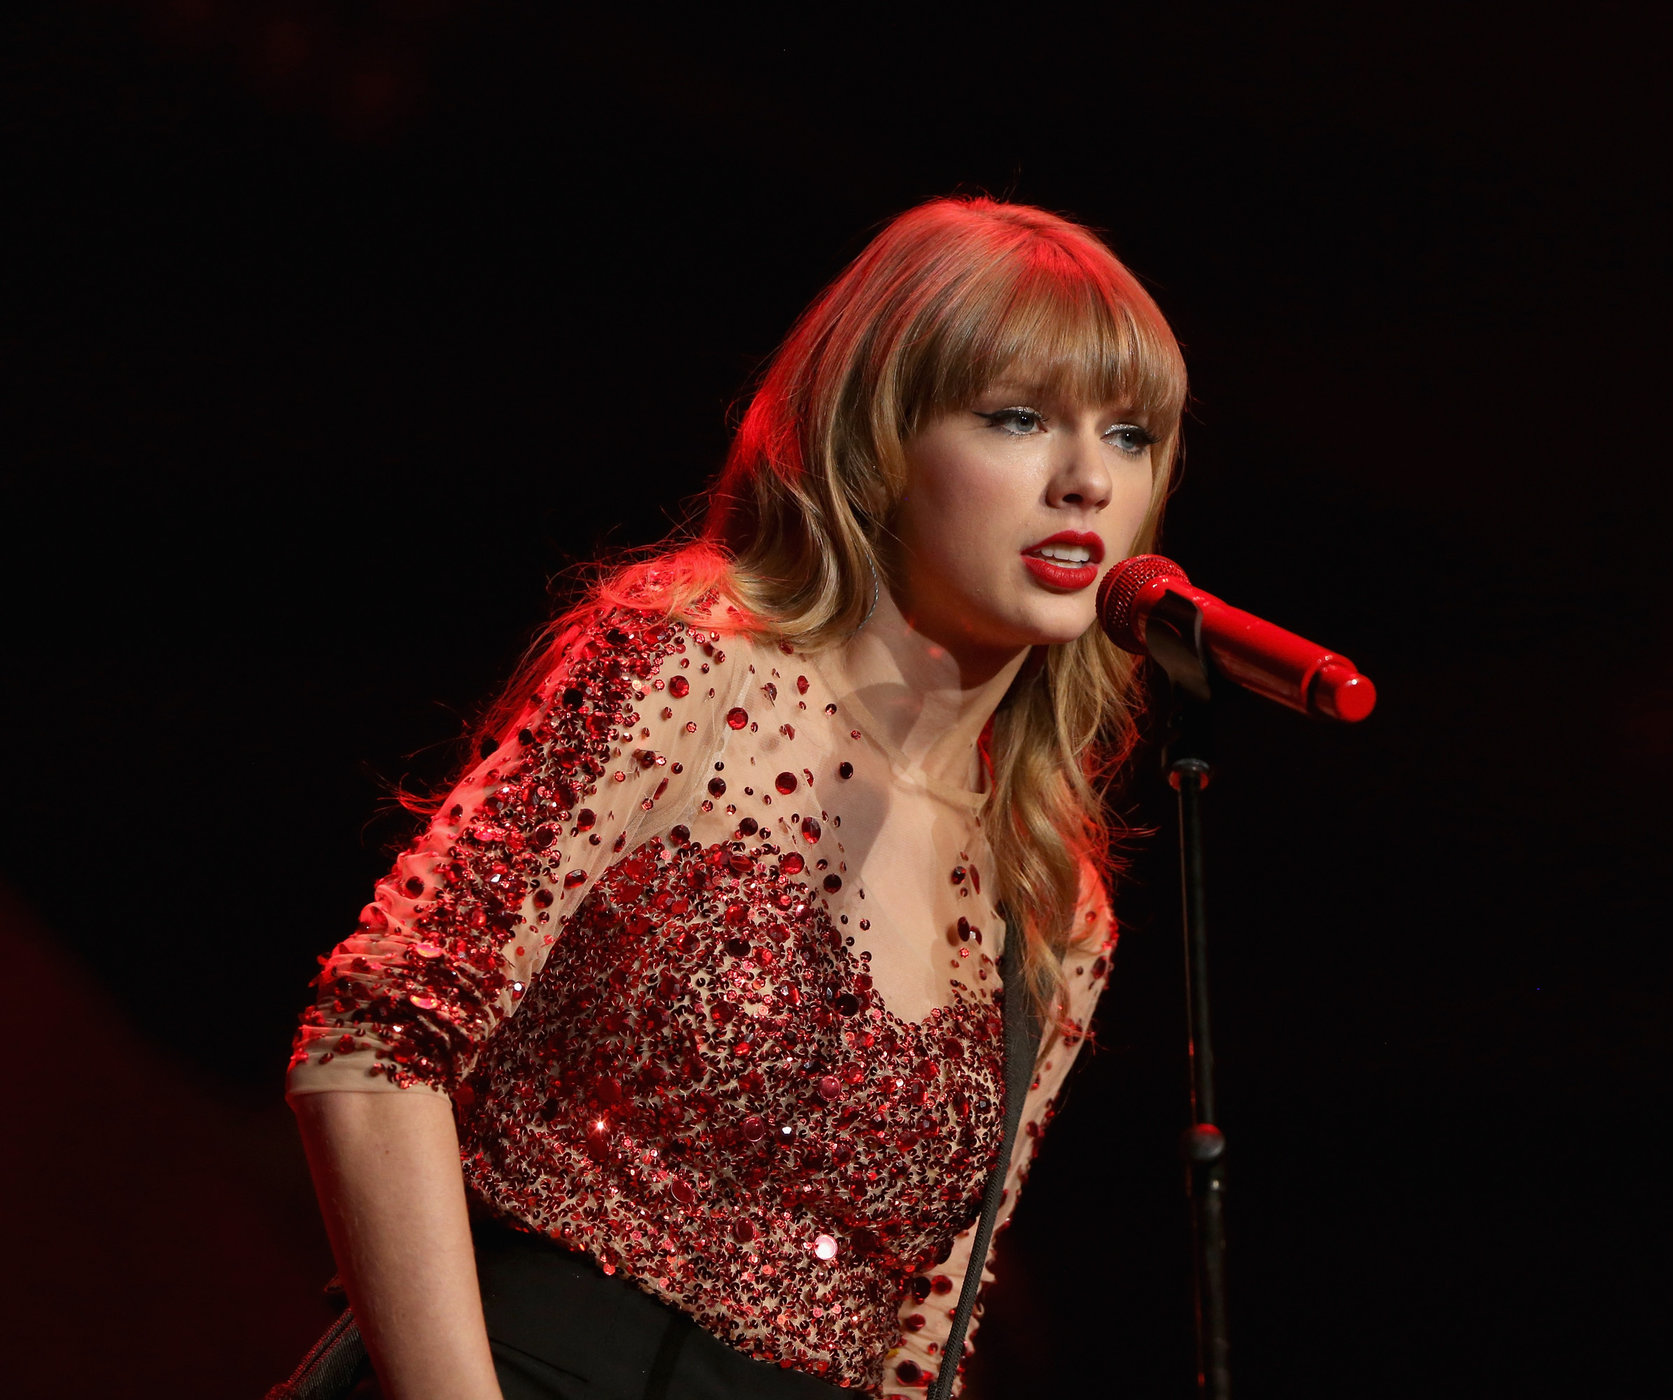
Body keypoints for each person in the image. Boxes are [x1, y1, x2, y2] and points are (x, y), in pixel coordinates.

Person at [286, 196, 1187, 1399]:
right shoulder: (685, 673)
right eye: (1018, 417)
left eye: (1129, 435)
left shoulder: (1052, 899)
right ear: (879, 438)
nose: (1086, 480)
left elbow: (925, 1331)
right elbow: (373, 1044)